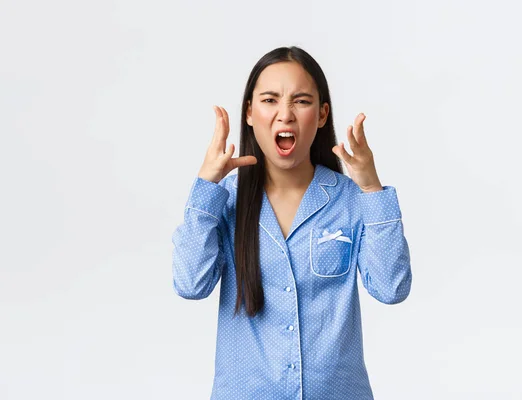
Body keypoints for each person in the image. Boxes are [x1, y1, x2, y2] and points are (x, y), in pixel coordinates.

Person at [171, 46, 412, 400]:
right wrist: (206, 186)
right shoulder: (226, 199)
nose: (285, 114)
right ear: (250, 113)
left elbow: (392, 288)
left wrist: (372, 189)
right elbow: (190, 283)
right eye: (270, 100)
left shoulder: (350, 199)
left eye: (301, 101)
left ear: (321, 114)